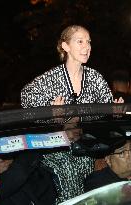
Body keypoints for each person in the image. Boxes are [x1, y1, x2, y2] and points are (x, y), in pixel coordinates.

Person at [21, 25, 113, 204]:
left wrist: (114, 110)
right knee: (67, 168)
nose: (87, 47)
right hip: (55, 149)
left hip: (85, 146)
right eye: (80, 41)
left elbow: (106, 109)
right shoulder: (50, 79)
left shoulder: (95, 78)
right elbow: (26, 99)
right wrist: (51, 114)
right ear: (65, 46)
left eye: (89, 42)